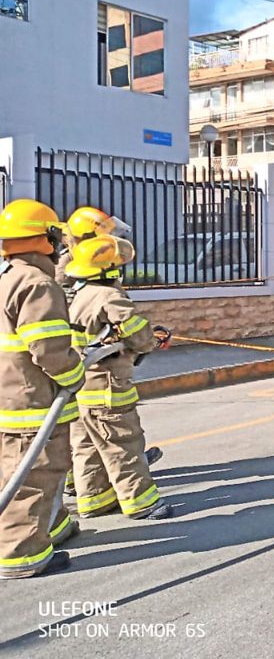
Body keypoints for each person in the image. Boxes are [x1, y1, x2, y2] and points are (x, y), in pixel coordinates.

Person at [0, 199, 86, 578]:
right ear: (45, 238)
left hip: (10, 397)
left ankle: (52, 526)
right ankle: (21, 555)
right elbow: (49, 350)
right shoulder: (37, 284)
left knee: (34, 470)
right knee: (33, 476)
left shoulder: (6, 277)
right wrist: (74, 374)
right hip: (32, 401)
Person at [65, 235, 172, 521]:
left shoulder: (81, 295)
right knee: (123, 443)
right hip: (108, 386)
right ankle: (141, 503)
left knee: (86, 446)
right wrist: (150, 340)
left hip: (81, 386)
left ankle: (94, 500)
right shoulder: (108, 295)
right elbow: (135, 331)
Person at [55, 206, 131, 290]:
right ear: (85, 238)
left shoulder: (99, 261)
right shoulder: (65, 266)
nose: (107, 244)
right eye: (103, 238)